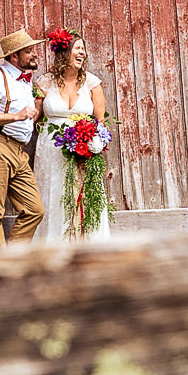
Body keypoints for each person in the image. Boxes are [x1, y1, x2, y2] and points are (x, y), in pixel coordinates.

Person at [35, 30, 112, 243]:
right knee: (55, 195)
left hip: (82, 151)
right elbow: (32, 117)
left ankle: (86, 245)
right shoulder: (44, 82)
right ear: (64, 52)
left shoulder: (92, 83)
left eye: (83, 49)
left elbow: (101, 123)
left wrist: (93, 144)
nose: (83, 53)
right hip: (51, 151)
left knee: (84, 198)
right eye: (78, 49)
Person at [0, 28, 45, 247]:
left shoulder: (25, 81)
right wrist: (15, 116)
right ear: (14, 56)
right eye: (29, 51)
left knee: (34, 210)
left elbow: (27, 117)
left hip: (18, 151)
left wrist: (38, 105)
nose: (35, 55)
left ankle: (13, 259)